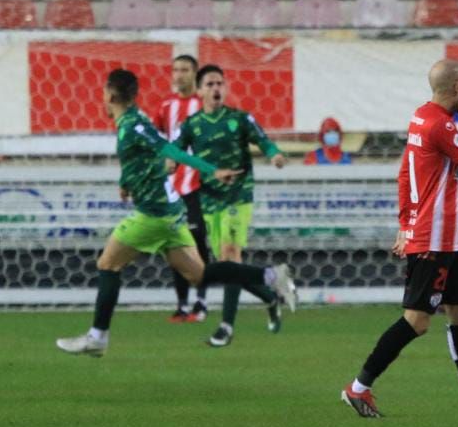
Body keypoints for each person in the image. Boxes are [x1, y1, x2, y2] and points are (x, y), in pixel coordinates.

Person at [56, 70, 296, 357]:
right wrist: (125, 183)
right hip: (171, 215)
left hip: (153, 215)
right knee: (200, 275)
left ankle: (97, 337)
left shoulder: (133, 124)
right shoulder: (132, 122)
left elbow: (171, 151)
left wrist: (212, 170)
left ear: (109, 95)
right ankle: (271, 276)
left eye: (103, 95)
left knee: (107, 264)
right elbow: (142, 160)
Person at [340, 59, 458, 418]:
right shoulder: (442, 125)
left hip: (445, 237)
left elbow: (405, 174)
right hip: (433, 238)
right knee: (417, 321)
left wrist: (404, 223)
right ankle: (358, 388)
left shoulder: (421, 116)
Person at [170, 64, 288, 347]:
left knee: (230, 254)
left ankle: (226, 326)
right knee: (225, 265)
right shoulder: (192, 125)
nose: (216, 88)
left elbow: (263, 140)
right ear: (199, 91)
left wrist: (274, 155)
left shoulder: (240, 119)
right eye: (209, 84)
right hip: (209, 199)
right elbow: (173, 152)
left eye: (219, 83)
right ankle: (270, 298)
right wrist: (167, 164)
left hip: (239, 195)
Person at [154, 54, 209, 323]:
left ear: (195, 73)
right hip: (172, 188)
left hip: (199, 185)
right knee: (175, 243)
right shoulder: (166, 106)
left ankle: (202, 301)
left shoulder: (205, 104)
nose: (179, 75)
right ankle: (182, 304)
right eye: (175, 69)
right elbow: (159, 141)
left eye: (185, 69)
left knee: (198, 242)